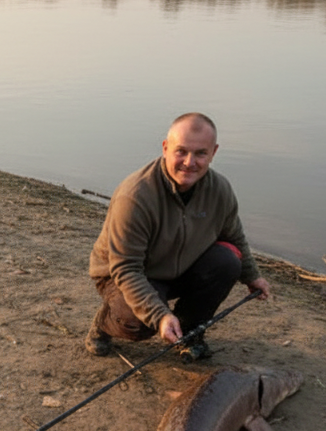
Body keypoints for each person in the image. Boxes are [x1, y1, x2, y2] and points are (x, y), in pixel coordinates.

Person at [86, 112, 270, 361]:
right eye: (181, 151)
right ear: (165, 148)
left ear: (213, 153)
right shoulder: (135, 196)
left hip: (179, 268)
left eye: (200, 153)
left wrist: (253, 277)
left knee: (228, 262)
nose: (189, 162)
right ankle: (104, 323)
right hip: (125, 274)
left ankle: (188, 333)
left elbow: (234, 235)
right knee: (140, 324)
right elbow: (126, 269)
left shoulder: (220, 190)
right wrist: (159, 315)